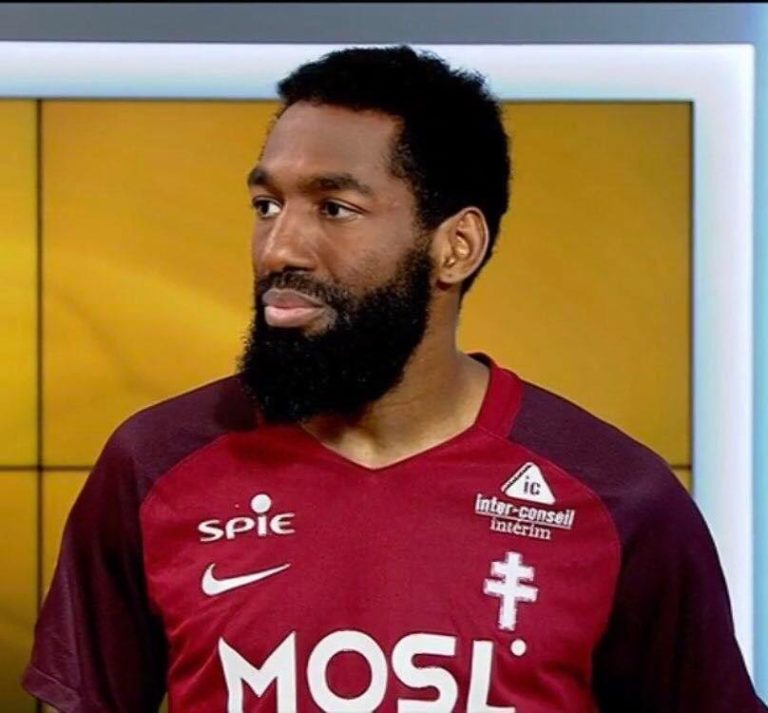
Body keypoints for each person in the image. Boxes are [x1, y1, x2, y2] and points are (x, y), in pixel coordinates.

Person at [22, 45, 765, 713]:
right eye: (267, 205)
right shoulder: (153, 463)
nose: (279, 248)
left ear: (456, 247)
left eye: (335, 208)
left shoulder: (620, 498)